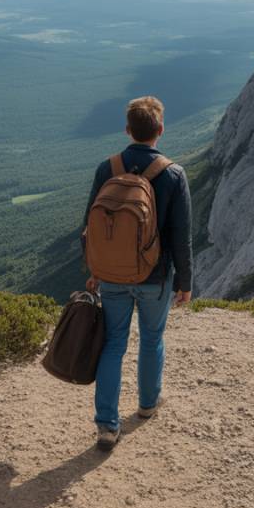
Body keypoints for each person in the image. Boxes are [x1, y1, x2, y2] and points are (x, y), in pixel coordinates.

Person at [82, 96, 192, 452]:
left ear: (127, 130)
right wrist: (184, 282)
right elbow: (181, 236)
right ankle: (147, 405)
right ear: (160, 130)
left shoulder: (107, 168)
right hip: (154, 277)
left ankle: (107, 426)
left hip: (112, 275)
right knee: (151, 339)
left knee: (113, 343)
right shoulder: (174, 174)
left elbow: (90, 227)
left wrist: (95, 269)